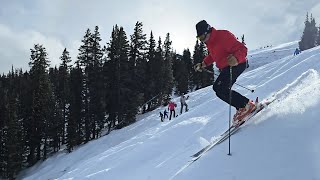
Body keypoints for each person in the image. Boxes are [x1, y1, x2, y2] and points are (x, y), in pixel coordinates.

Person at [193, 20, 256, 125]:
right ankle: (243, 106)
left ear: (208, 31)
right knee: (218, 88)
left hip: (237, 64)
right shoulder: (210, 43)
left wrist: (236, 58)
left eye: (202, 37)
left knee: (220, 88)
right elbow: (213, 56)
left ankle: (246, 105)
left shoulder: (223, 36)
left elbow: (243, 49)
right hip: (227, 67)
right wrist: (203, 64)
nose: (202, 41)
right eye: (199, 39)